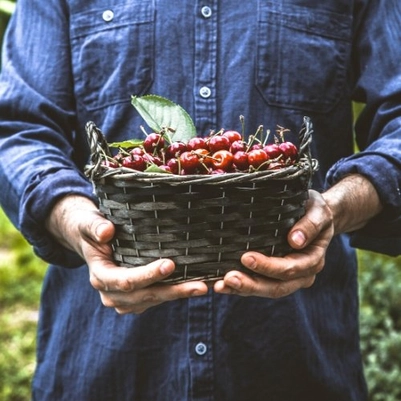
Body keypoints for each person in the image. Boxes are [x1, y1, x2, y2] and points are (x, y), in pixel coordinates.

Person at [0, 1, 400, 400]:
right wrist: (74, 219)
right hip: (106, 366)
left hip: (294, 362)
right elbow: (19, 130)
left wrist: (336, 206)